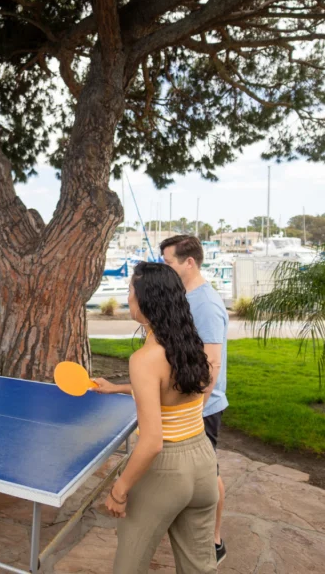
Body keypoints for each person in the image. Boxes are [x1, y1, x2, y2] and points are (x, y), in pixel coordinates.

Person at [95, 234, 229, 564]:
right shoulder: (190, 346)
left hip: (166, 469)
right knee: (200, 565)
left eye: (130, 291)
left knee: (129, 564)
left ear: (147, 301)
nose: (127, 298)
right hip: (201, 463)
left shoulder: (145, 359)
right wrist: (116, 388)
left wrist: (120, 489)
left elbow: (153, 441)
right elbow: (172, 392)